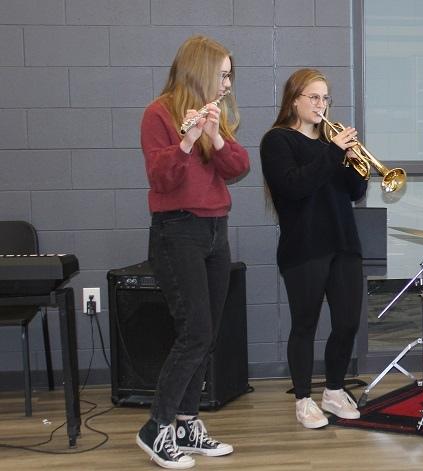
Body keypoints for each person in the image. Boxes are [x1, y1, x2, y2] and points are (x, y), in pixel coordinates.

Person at [137, 35, 248, 469]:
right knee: (195, 332)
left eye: (230, 76)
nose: (227, 84)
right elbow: (161, 179)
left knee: (208, 332)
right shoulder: (158, 113)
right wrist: (186, 141)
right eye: (223, 75)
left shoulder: (214, 113)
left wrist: (215, 137)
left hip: (216, 231)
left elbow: (238, 167)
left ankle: (186, 423)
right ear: (201, 71)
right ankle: (156, 426)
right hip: (177, 232)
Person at [260, 68, 368, 429]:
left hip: (343, 243)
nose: (322, 104)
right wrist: (334, 153)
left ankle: (334, 391)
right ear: (295, 101)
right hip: (304, 246)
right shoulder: (277, 141)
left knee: (348, 322)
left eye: (325, 98)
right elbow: (295, 186)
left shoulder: (329, 146)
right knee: (305, 325)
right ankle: (304, 399)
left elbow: (354, 192)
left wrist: (355, 162)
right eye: (314, 97)